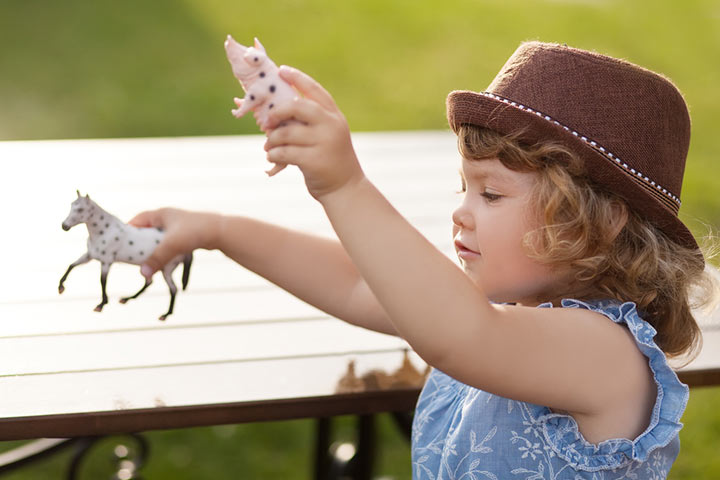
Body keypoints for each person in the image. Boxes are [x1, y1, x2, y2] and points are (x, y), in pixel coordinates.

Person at [130, 42, 716, 478]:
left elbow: (460, 335)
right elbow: (364, 280)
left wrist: (343, 185)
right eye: (462, 188)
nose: (462, 213)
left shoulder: (604, 353)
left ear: (600, 223)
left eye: (490, 194)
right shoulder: (509, 316)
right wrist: (218, 230)